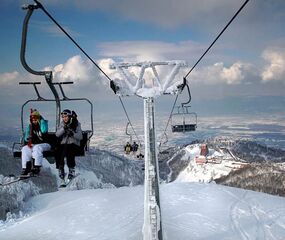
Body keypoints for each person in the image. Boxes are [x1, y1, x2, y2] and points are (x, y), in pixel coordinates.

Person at [20, 109, 50, 177]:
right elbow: (26, 137)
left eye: (36, 120)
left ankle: (37, 167)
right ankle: (26, 168)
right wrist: (27, 137)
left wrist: (41, 120)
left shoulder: (43, 124)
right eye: (33, 120)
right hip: (34, 144)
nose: (34, 121)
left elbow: (44, 130)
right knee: (25, 149)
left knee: (37, 148)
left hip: (45, 144)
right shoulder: (30, 127)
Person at [55, 109, 82, 180]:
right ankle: (61, 168)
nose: (64, 118)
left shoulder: (76, 124)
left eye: (66, 117)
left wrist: (73, 134)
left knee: (69, 150)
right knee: (58, 150)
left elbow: (80, 136)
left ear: (70, 117)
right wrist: (64, 129)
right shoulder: (62, 124)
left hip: (74, 144)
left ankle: (71, 168)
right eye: (63, 117)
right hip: (64, 144)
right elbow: (57, 134)